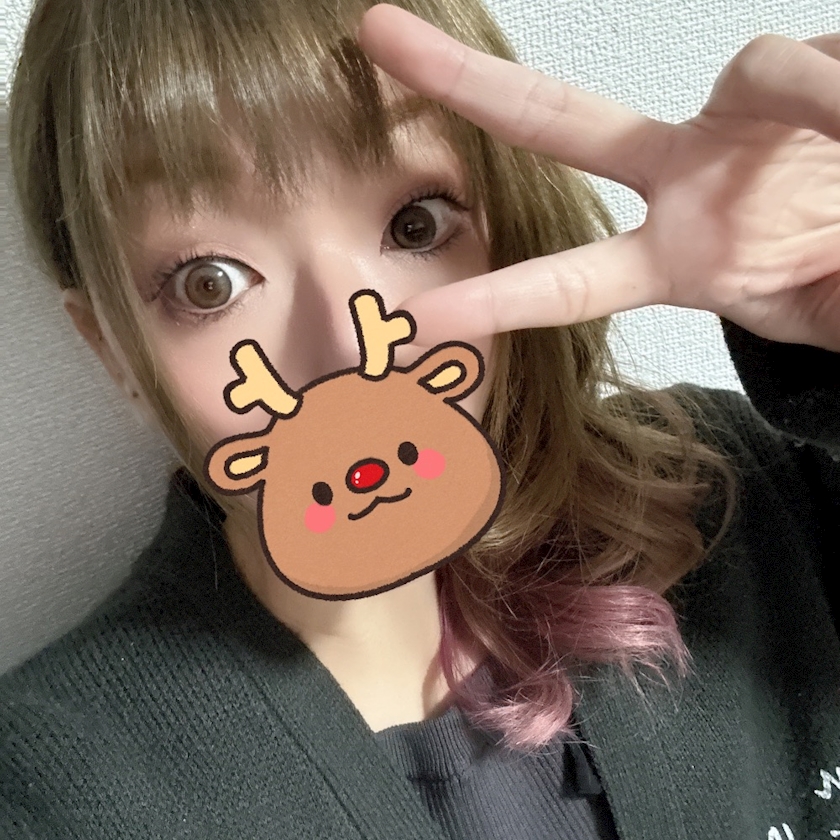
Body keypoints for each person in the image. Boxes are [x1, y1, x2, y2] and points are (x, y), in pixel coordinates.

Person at [2, 0, 838, 837]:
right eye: (209, 283)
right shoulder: (52, 791)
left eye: (416, 225)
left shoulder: (743, 499)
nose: (348, 347)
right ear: (114, 351)